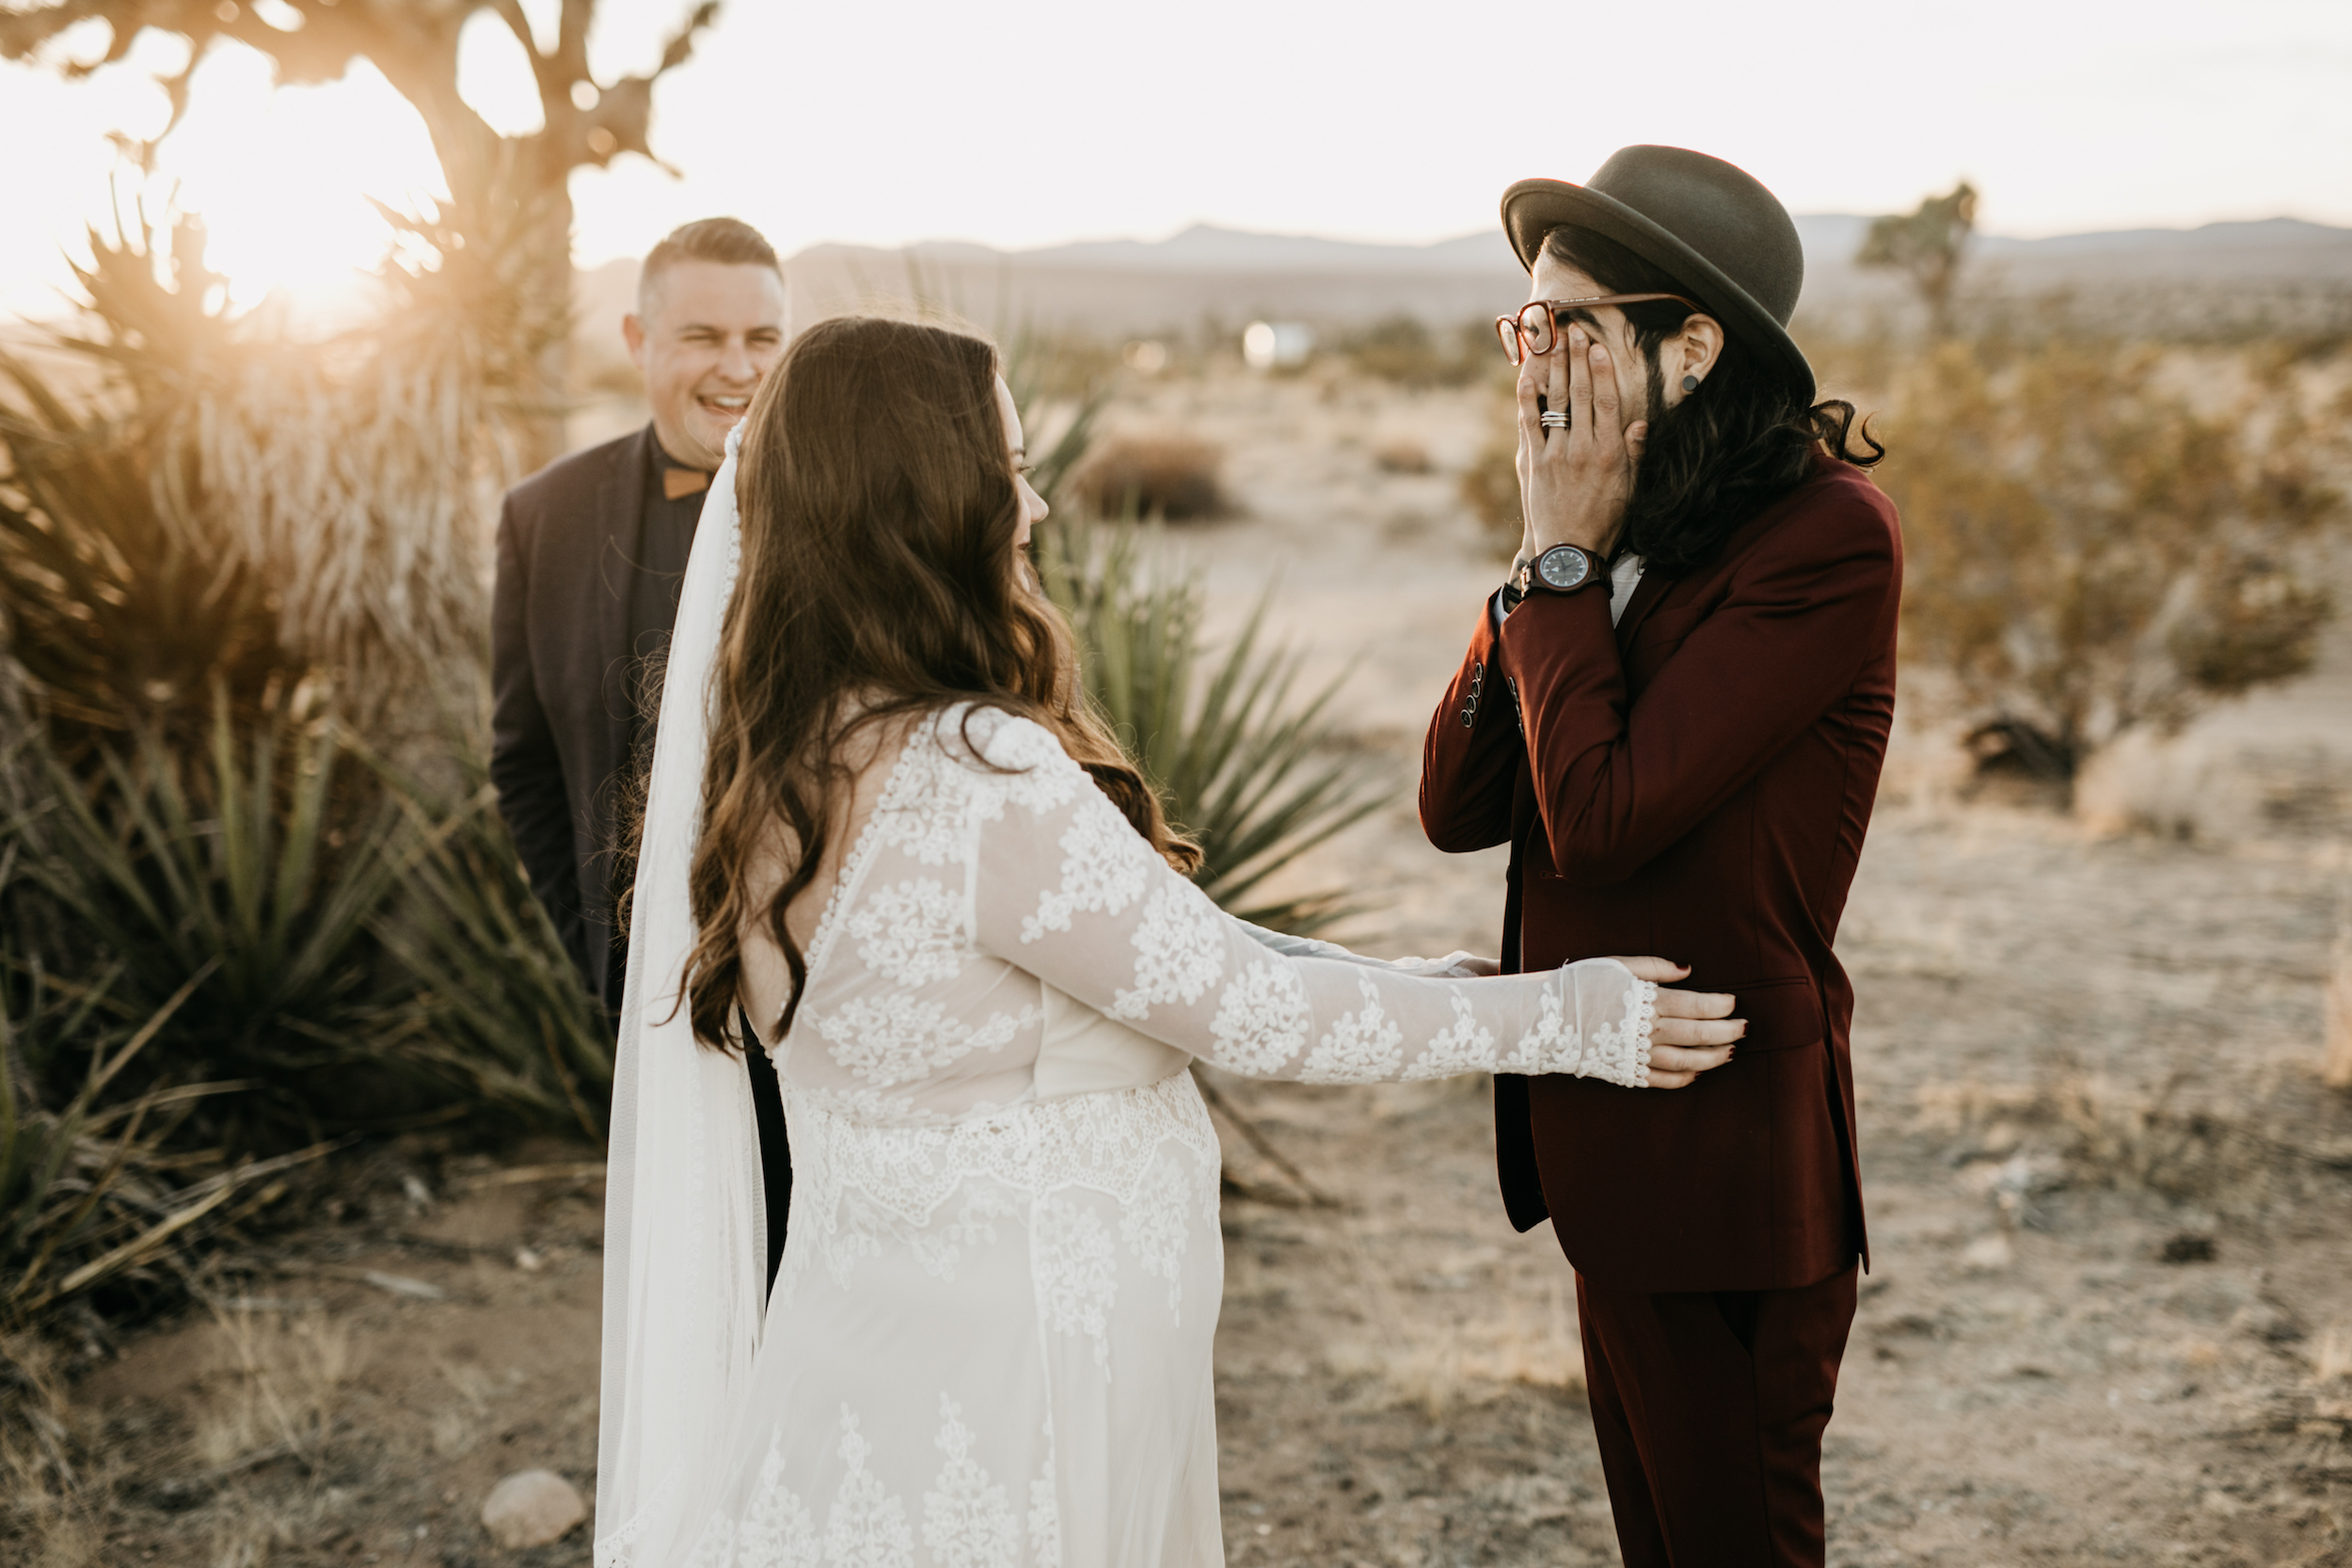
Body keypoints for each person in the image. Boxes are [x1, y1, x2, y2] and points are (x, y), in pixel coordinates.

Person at [595, 314, 1752, 1568]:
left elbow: (1156, 948)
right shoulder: (976, 771)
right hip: (1023, 1366)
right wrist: (1566, 1019)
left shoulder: (774, 760)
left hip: (864, 1342)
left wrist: (1433, 980)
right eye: (1009, 469)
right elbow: (1246, 1006)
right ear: (924, 501)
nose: (1032, 505)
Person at [1418, 145, 1902, 1568]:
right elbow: (1457, 801)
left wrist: (1563, 568)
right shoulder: (1609, 523)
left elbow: (1608, 813)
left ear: (1691, 345)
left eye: (1570, 323)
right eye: (1528, 321)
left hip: (1728, 1173)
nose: (1536, 359)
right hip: (1607, 1152)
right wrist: (1536, 559)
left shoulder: (1822, 540)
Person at [489, 217, 797, 1288]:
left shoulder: (842, 513)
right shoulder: (546, 517)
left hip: (828, 995)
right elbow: (523, 759)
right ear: (637, 337)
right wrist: (602, 954)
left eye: (764, 335)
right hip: (652, 997)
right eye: (704, 334)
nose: (739, 367)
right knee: (695, 1280)